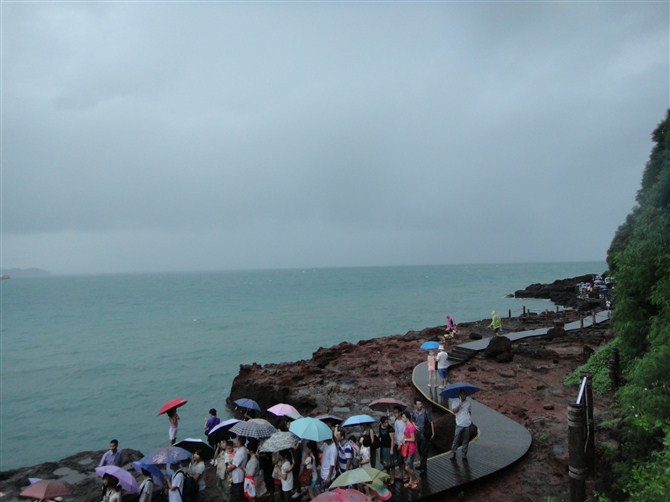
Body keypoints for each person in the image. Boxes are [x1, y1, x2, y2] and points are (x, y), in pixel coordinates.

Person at [411, 399, 434, 474]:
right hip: (417, 434)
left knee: (424, 450)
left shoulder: (426, 412)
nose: (420, 405)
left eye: (421, 404)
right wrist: (414, 425)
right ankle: (422, 464)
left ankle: (423, 467)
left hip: (424, 433)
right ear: (415, 405)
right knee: (420, 450)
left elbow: (431, 422)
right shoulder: (414, 412)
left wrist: (433, 432)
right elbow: (412, 420)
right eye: (418, 404)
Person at [450, 390, 473, 460]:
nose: (464, 396)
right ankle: (453, 453)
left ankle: (464, 454)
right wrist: (459, 405)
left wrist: (468, 418)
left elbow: (469, 411)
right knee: (456, 439)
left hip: (467, 424)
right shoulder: (455, 401)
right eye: (462, 394)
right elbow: (454, 411)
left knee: (466, 440)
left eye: (465, 394)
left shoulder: (468, 403)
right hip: (459, 424)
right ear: (459, 395)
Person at [400, 411, 418, 489]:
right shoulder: (407, 426)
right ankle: (411, 482)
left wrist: (405, 439)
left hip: (411, 448)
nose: (402, 418)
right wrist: (403, 440)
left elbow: (413, 439)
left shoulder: (410, 426)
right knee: (410, 466)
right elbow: (406, 435)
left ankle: (415, 479)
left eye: (403, 417)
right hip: (407, 448)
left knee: (407, 467)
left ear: (407, 418)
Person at [227, 435, 248, 502]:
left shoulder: (240, 452)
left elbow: (234, 466)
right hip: (239, 475)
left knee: (238, 495)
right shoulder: (242, 449)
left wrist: (227, 470)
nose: (235, 441)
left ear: (239, 442)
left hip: (238, 476)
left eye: (236, 440)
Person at [390, 406, 406, 483]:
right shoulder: (396, 421)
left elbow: (405, 434)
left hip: (401, 444)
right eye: (394, 412)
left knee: (401, 461)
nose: (395, 414)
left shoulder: (403, 421)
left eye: (396, 412)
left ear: (400, 412)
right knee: (399, 461)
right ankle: (402, 474)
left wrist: (400, 443)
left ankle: (405, 475)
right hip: (396, 443)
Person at [378, 416, 395, 482]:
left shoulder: (390, 429)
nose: (386, 424)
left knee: (391, 464)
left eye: (387, 422)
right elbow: (380, 435)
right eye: (385, 422)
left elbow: (392, 440)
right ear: (381, 423)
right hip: (383, 448)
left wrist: (391, 449)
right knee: (386, 465)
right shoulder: (380, 427)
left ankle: (392, 479)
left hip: (388, 447)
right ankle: (388, 477)